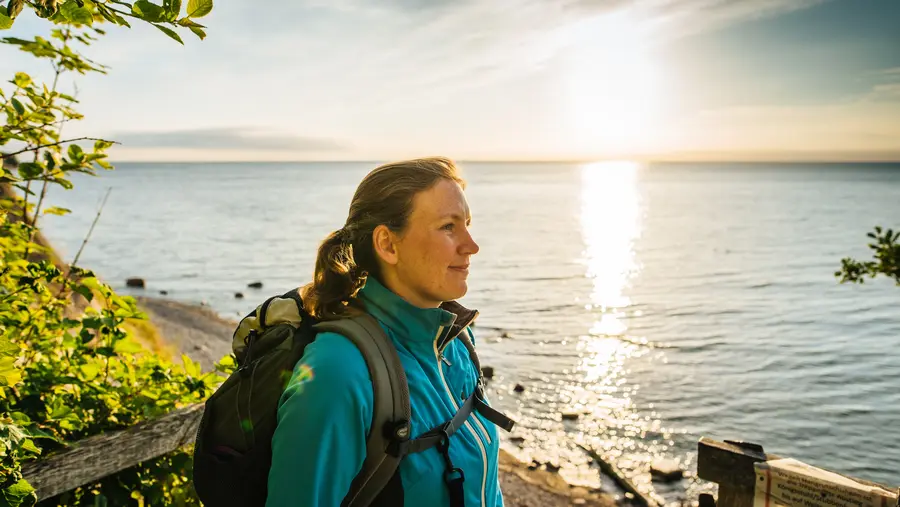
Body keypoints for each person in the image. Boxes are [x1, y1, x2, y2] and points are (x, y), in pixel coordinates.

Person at [265, 157, 506, 507]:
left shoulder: (455, 343)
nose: (471, 245)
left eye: (467, 224)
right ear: (388, 245)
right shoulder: (337, 376)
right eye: (448, 227)